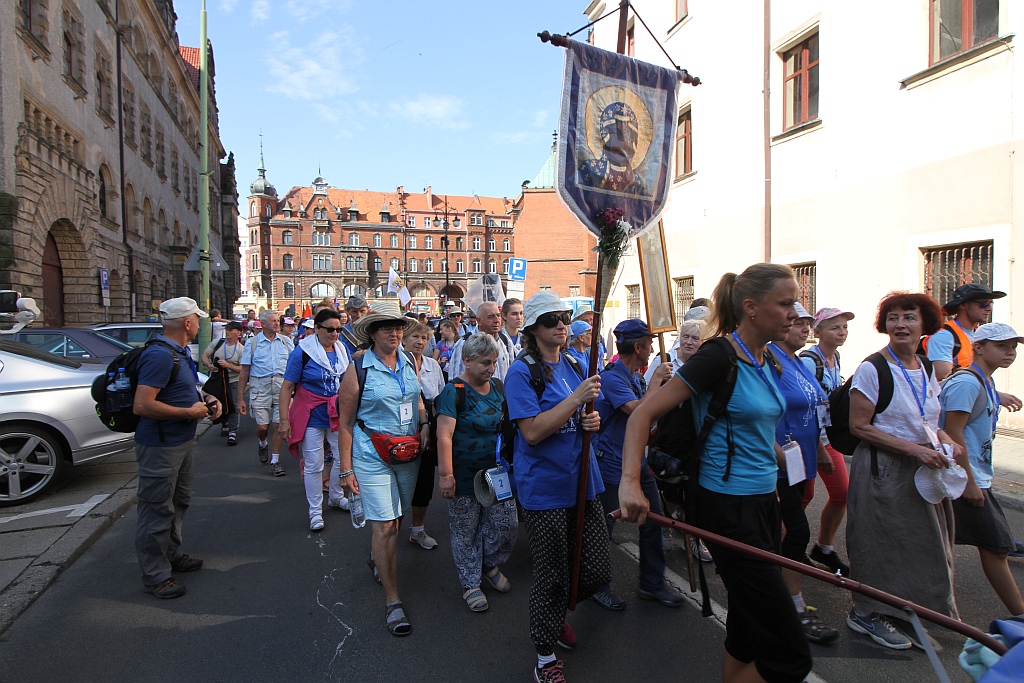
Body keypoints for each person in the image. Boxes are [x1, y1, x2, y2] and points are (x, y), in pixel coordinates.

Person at [619, 264, 813, 683]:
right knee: (792, 656)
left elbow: (753, 430)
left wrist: (791, 467)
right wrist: (630, 483)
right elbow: (643, 416)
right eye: (785, 303)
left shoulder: (765, 358)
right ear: (751, 308)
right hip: (727, 508)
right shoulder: (717, 356)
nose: (795, 311)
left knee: (746, 629)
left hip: (763, 502)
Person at [846, 291, 967, 650]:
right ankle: (865, 613)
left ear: (924, 325)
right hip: (883, 469)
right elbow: (859, 426)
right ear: (884, 325)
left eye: (909, 317)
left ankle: (905, 610)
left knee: (918, 544)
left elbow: (928, 419)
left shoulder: (926, 366)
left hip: (923, 468)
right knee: (878, 542)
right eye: (894, 317)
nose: (900, 324)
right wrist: (916, 449)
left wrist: (947, 442)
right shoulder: (873, 368)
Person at [506, 291, 607, 683]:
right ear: (533, 329)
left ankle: (556, 611)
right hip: (545, 489)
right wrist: (577, 401)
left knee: (594, 567)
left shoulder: (573, 362)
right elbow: (531, 433)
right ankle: (545, 656)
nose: (562, 325)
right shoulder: (522, 372)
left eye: (564, 317)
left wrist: (590, 420)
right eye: (551, 320)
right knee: (550, 574)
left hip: (583, 479)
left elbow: (582, 416)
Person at [337, 310, 428, 637]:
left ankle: (378, 557)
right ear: (372, 334)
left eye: (398, 327)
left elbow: (416, 397)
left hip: (407, 452)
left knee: (397, 516)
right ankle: (393, 602)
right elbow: (345, 423)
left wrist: (426, 422)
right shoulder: (357, 369)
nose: (394, 333)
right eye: (386, 328)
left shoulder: (409, 361)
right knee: (387, 526)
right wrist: (346, 469)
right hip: (370, 453)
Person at [131, 297, 222, 599]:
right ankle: (155, 575)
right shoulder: (160, 356)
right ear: (187, 323)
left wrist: (207, 400)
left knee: (178, 501)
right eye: (197, 319)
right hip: (161, 444)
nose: (199, 324)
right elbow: (143, 405)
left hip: (180, 441)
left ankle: (171, 554)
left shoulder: (178, 352)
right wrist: (188, 413)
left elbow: (186, 389)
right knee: (157, 508)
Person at [592, 319, 682, 612]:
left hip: (635, 460)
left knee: (653, 519)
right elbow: (638, 412)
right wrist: (657, 382)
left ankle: (652, 583)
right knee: (602, 528)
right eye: (649, 343)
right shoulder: (613, 378)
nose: (653, 348)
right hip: (611, 463)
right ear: (639, 347)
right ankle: (597, 586)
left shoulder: (634, 376)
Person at [767, 304, 840, 645]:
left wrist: (821, 448)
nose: (804, 329)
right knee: (796, 532)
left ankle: (778, 597)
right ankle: (791, 608)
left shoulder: (798, 360)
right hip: (776, 463)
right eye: (798, 322)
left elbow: (816, 404)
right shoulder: (769, 359)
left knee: (786, 532)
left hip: (799, 462)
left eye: (807, 323)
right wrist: (776, 451)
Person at [940, 322, 1024, 618]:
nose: (1010, 352)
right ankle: (1019, 614)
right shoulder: (967, 383)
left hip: (975, 476)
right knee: (997, 546)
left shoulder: (984, 380)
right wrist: (970, 483)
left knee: (946, 544)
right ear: (977, 347)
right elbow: (953, 433)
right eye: (1002, 346)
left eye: (1013, 347)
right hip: (964, 477)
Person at [436, 334, 519, 612]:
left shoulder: (497, 386)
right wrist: (446, 476)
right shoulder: (454, 391)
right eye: (485, 362)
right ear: (468, 360)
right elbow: (444, 436)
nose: (491, 368)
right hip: (463, 474)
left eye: (494, 362)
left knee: (506, 525)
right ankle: (470, 583)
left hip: (495, 473)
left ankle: (487, 563)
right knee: (465, 531)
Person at [644, 318, 711, 560]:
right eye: (686, 337)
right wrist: (660, 379)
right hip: (670, 436)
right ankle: (665, 525)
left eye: (695, 338)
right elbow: (648, 399)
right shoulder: (667, 365)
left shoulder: (705, 367)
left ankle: (692, 538)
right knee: (671, 490)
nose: (690, 342)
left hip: (697, 438)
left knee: (695, 493)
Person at [280, 308, 350, 531]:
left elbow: (347, 381)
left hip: (336, 412)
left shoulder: (341, 349)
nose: (335, 334)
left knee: (342, 457)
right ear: (317, 329)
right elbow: (287, 387)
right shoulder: (302, 352)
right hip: (310, 414)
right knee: (314, 464)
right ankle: (315, 511)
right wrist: (283, 420)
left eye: (338, 330)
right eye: (330, 329)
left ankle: (336, 497)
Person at [799, 307, 855, 575]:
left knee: (842, 493)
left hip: (827, 437)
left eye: (844, 327)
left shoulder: (836, 358)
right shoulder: (810, 361)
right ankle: (789, 545)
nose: (842, 332)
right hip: (807, 440)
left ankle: (823, 547)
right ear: (817, 332)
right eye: (835, 327)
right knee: (803, 496)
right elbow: (804, 405)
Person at [237, 310, 294, 477]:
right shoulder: (253, 343)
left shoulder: (286, 342)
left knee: (279, 425)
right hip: (259, 387)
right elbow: (244, 371)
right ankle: (262, 443)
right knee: (262, 427)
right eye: (273, 321)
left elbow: (294, 366)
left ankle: (275, 461)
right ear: (263, 324)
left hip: (281, 386)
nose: (277, 324)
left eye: (278, 321)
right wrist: (240, 398)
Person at [405, 322, 446, 550]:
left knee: (424, 479)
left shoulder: (433, 365)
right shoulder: (398, 364)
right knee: (402, 480)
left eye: (424, 338)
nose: (420, 342)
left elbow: (440, 397)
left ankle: (418, 530)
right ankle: (386, 533)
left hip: (430, 424)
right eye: (415, 337)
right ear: (404, 339)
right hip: (404, 426)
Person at [200, 320, 245, 444]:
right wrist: (209, 366)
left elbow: (243, 369)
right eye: (227, 330)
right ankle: (224, 423)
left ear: (238, 332)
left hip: (233, 381)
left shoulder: (241, 349)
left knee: (234, 405)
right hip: (218, 380)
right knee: (219, 402)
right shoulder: (217, 343)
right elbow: (204, 356)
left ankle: (233, 431)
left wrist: (228, 365)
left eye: (231, 330)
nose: (228, 332)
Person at [447, 302, 514, 382]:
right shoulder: (464, 344)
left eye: (498, 315)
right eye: (490, 317)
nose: (496, 320)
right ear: (478, 320)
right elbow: (456, 378)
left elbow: (511, 373)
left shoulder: (505, 341)